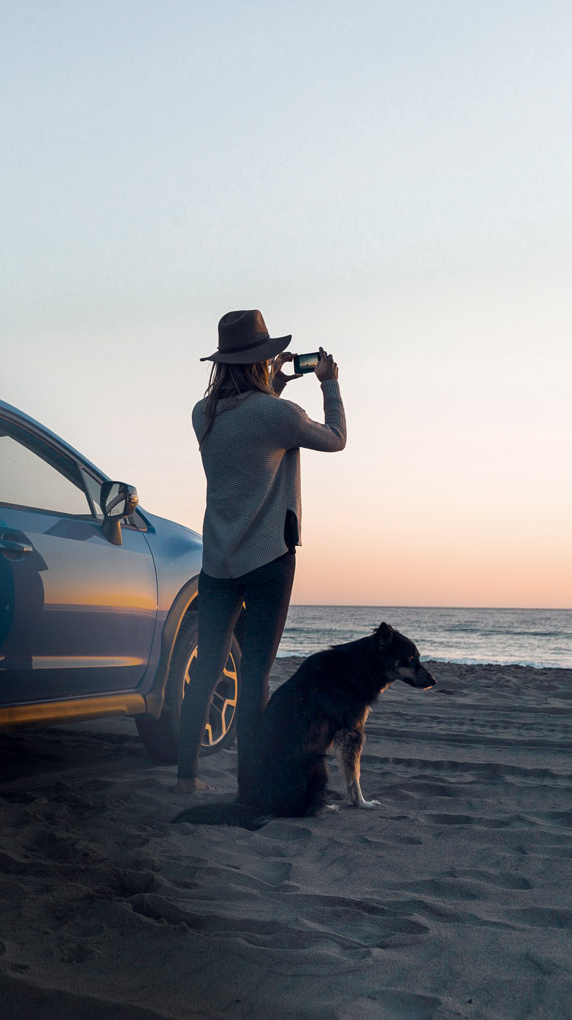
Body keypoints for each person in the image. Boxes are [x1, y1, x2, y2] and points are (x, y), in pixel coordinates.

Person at [172, 309, 345, 797]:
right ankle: (249, 787)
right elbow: (335, 439)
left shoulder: (201, 414)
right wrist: (328, 382)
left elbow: (254, 428)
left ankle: (185, 776)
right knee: (254, 678)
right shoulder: (278, 415)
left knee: (207, 666)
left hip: (217, 561)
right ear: (262, 360)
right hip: (269, 558)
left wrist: (277, 386)